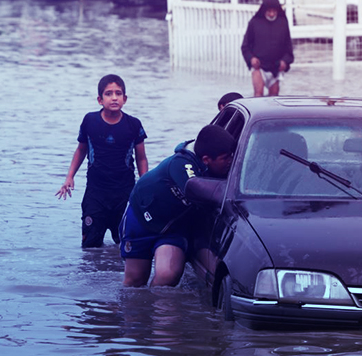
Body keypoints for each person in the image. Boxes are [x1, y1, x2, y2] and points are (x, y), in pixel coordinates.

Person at [121, 125, 236, 287]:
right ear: (206, 160)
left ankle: (159, 310)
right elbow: (196, 186)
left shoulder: (218, 166)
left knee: (167, 276)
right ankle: (138, 311)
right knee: (135, 281)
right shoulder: (181, 163)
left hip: (174, 228)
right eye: (225, 158)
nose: (231, 161)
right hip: (141, 217)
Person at [56, 74, 148, 248]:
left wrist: (145, 185)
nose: (114, 97)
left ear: (125, 99)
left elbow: (141, 158)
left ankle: (119, 275)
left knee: (126, 245)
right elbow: (81, 150)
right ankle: (93, 275)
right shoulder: (90, 121)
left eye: (118, 93)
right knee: (90, 248)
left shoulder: (133, 125)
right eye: (108, 93)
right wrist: (69, 177)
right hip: (95, 193)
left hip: (125, 193)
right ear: (100, 99)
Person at [241, 0, 294, 97]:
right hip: (259, 66)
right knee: (258, 95)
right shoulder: (254, 22)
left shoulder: (283, 23)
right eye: (269, 11)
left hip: (276, 67)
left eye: (274, 11)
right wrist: (251, 58)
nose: (272, 14)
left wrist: (285, 61)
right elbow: (245, 46)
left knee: (274, 98)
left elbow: (288, 48)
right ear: (264, 10)